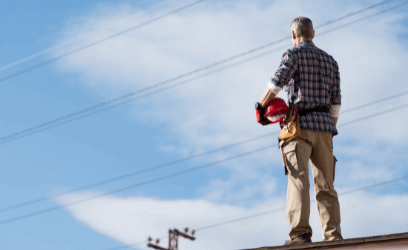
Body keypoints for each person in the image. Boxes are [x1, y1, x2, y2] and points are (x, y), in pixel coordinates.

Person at [257, 17, 343, 245]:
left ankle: (300, 234)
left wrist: (261, 105)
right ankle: (333, 237)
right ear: (313, 34)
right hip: (325, 128)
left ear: (294, 35)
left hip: (299, 127)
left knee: (298, 179)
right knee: (326, 185)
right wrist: (329, 130)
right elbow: (336, 103)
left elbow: (277, 81)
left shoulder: (292, 54)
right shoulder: (330, 61)